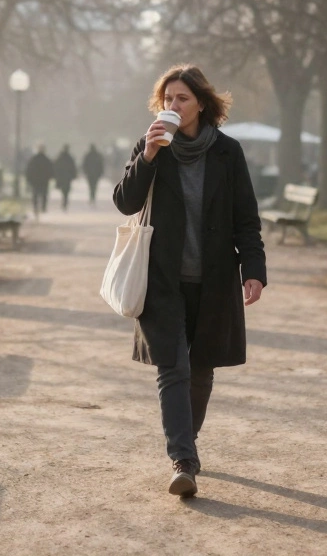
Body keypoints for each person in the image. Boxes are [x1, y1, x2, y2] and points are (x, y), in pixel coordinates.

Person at [112, 64, 266, 499]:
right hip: (162, 278)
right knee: (173, 366)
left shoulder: (227, 153)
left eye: (182, 99)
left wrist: (253, 270)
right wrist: (148, 158)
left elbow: (246, 219)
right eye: (167, 99)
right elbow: (125, 203)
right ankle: (183, 459)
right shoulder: (151, 146)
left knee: (201, 369)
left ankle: (187, 447)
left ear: (201, 103)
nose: (173, 106)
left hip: (214, 279)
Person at [25, 145, 54, 215]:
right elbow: (51, 169)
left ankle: (35, 207)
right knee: (44, 194)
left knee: (35, 194)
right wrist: (50, 176)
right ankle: (43, 207)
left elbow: (29, 169)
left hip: (35, 180)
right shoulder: (46, 159)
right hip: (44, 180)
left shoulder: (33, 159)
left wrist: (29, 178)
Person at [53, 144, 78, 211]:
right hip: (67, 177)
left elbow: (55, 166)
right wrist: (74, 175)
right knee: (66, 191)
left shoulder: (59, 157)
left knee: (64, 191)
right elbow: (73, 168)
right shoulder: (70, 158)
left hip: (62, 177)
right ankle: (65, 202)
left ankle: (64, 202)